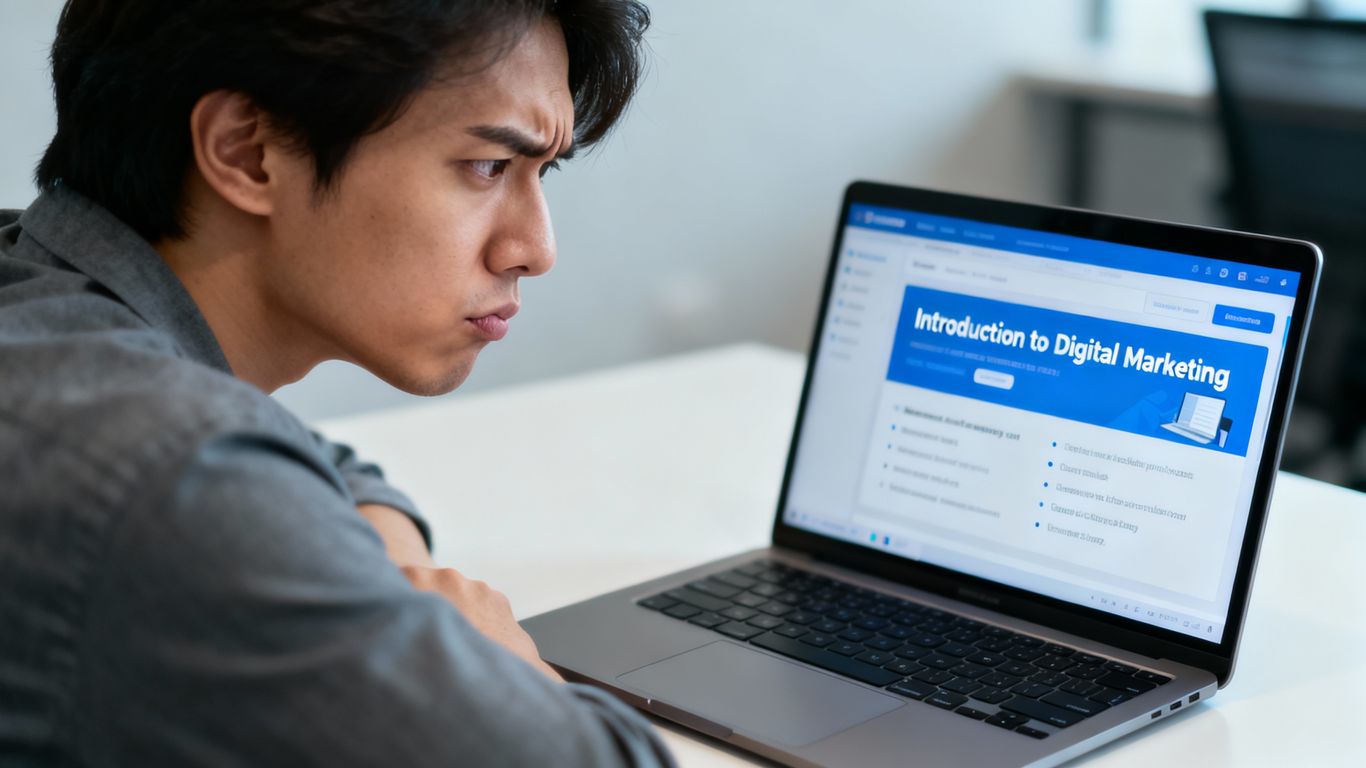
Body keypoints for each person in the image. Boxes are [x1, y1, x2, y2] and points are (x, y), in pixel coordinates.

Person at [0, 1, 674, 765]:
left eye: (541, 173)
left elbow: (326, 467)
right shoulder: (168, 481)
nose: (535, 248)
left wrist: (386, 587)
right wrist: (485, 653)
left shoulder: (48, 303)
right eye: (488, 166)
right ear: (248, 152)